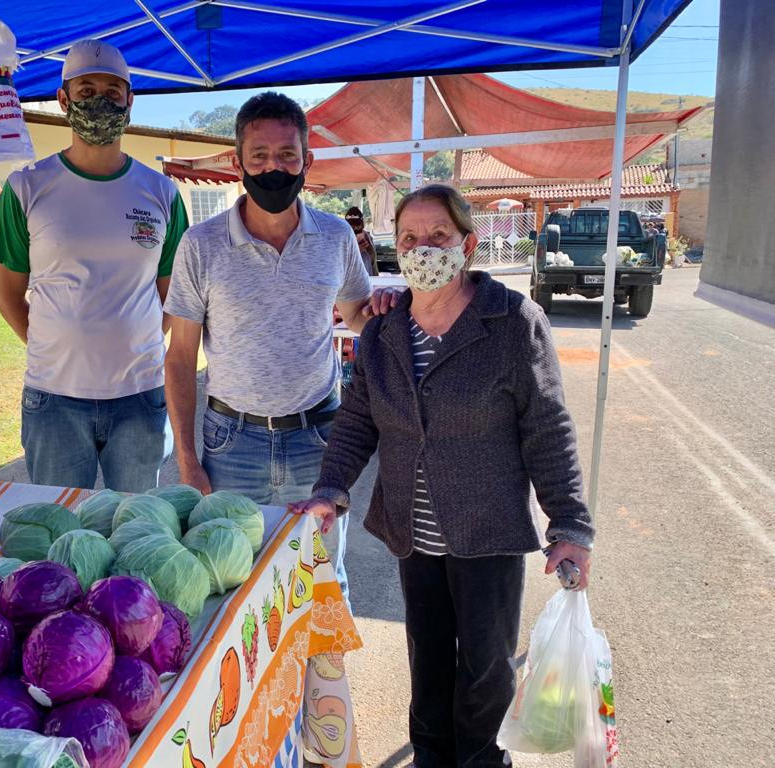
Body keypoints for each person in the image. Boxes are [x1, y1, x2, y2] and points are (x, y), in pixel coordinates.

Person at [289, 183, 595, 767]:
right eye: (409, 238)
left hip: (489, 530)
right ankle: (431, 757)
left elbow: (547, 426)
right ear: (393, 247)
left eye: (438, 236)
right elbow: (357, 420)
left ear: (468, 244)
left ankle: (483, 761)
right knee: (427, 660)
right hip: (416, 534)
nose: (422, 248)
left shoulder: (512, 322)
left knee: (485, 671)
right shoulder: (384, 331)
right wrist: (330, 489)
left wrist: (571, 525)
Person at [164, 92, 393, 605]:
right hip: (231, 446)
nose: (274, 167)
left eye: (287, 155)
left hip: (319, 439)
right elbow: (179, 357)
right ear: (237, 162)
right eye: (260, 155)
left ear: (307, 161)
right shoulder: (200, 245)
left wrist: (384, 308)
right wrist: (187, 459)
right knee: (233, 585)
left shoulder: (336, 237)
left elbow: (356, 315)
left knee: (323, 579)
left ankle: (323, 686)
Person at [0, 39, 187, 492]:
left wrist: (136, 343)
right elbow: (6, 293)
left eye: (113, 91)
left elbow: (172, 293)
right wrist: (51, 347)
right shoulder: (26, 187)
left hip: (140, 398)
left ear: (130, 101)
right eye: (86, 89)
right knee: (58, 537)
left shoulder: (162, 194)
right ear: (63, 99)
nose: (100, 99)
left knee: (135, 534)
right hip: (55, 400)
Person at [345, 206, 379, 276]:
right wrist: (356, 251)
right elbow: (340, 264)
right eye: (351, 226)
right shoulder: (343, 239)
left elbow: (374, 264)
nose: (354, 229)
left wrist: (376, 281)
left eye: (357, 226)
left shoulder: (368, 238)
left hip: (370, 280)